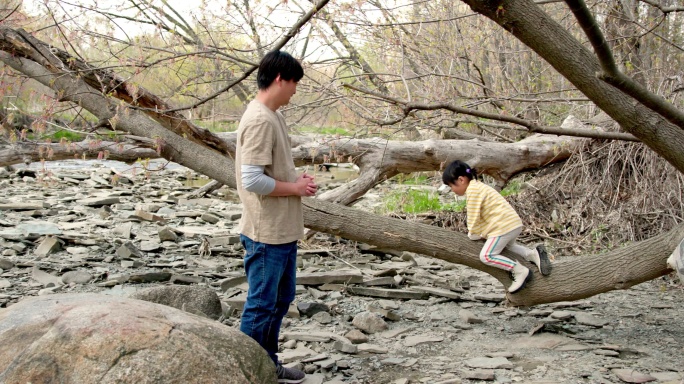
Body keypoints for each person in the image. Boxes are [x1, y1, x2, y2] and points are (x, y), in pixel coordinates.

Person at [235, 50, 317, 384]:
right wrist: (294, 189)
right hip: (265, 232)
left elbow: (270, 171)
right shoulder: (259, 119)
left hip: (281, 230)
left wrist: (297, 183)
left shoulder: (273, 115)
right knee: (261, 305)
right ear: (280, 79)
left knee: (280, 300)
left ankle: (267, 364)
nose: (296, 90)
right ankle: (248, 373)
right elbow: (251, 179)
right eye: (294, 82)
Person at [442, 160, 552, 293]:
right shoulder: (479, 186)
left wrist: (472, 234)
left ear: (460, 180)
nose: (452, 190)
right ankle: (532, 254)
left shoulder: (473, 191)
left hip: (502, 226)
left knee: (487, 256)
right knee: (509, 247)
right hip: (512, 223)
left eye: (450, 185)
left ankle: (519, 270)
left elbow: (473, 216)